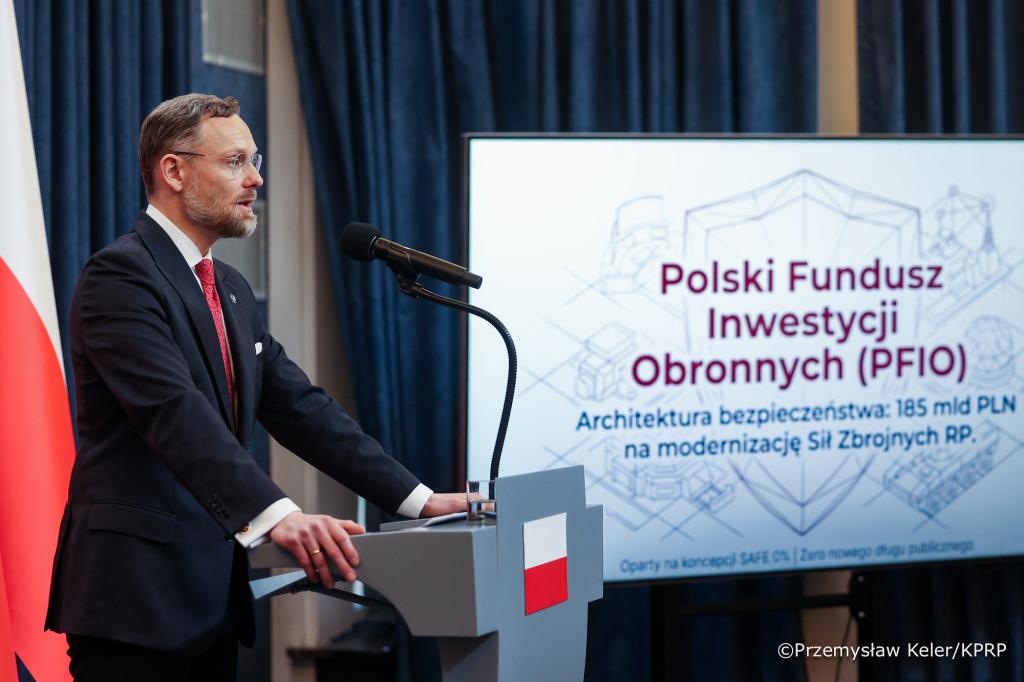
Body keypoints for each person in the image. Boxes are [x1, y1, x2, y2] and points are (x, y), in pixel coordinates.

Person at [44, 93, 465, 681]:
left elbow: (301, 408)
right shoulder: (120, 276)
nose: (256, 179)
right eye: (235, 161)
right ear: (174, 171)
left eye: (255, 160)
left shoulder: (230, 288)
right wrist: (277, 515)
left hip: (209, 601)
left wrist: (419, 500)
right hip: (134, 603)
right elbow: (174, 413)